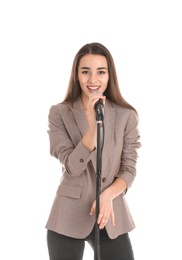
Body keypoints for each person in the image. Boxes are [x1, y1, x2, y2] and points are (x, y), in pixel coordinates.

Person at [46, 42, 141, 260]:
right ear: (76, 75)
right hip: (68, 216)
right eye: (85, 71)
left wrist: (108, 194)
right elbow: (71, 167)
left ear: (110, 75)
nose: (93, 80)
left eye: (101, 72)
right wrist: (94, 126)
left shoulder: (126, 116)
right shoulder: (59, 113)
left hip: (111, 215)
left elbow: (129, 169)